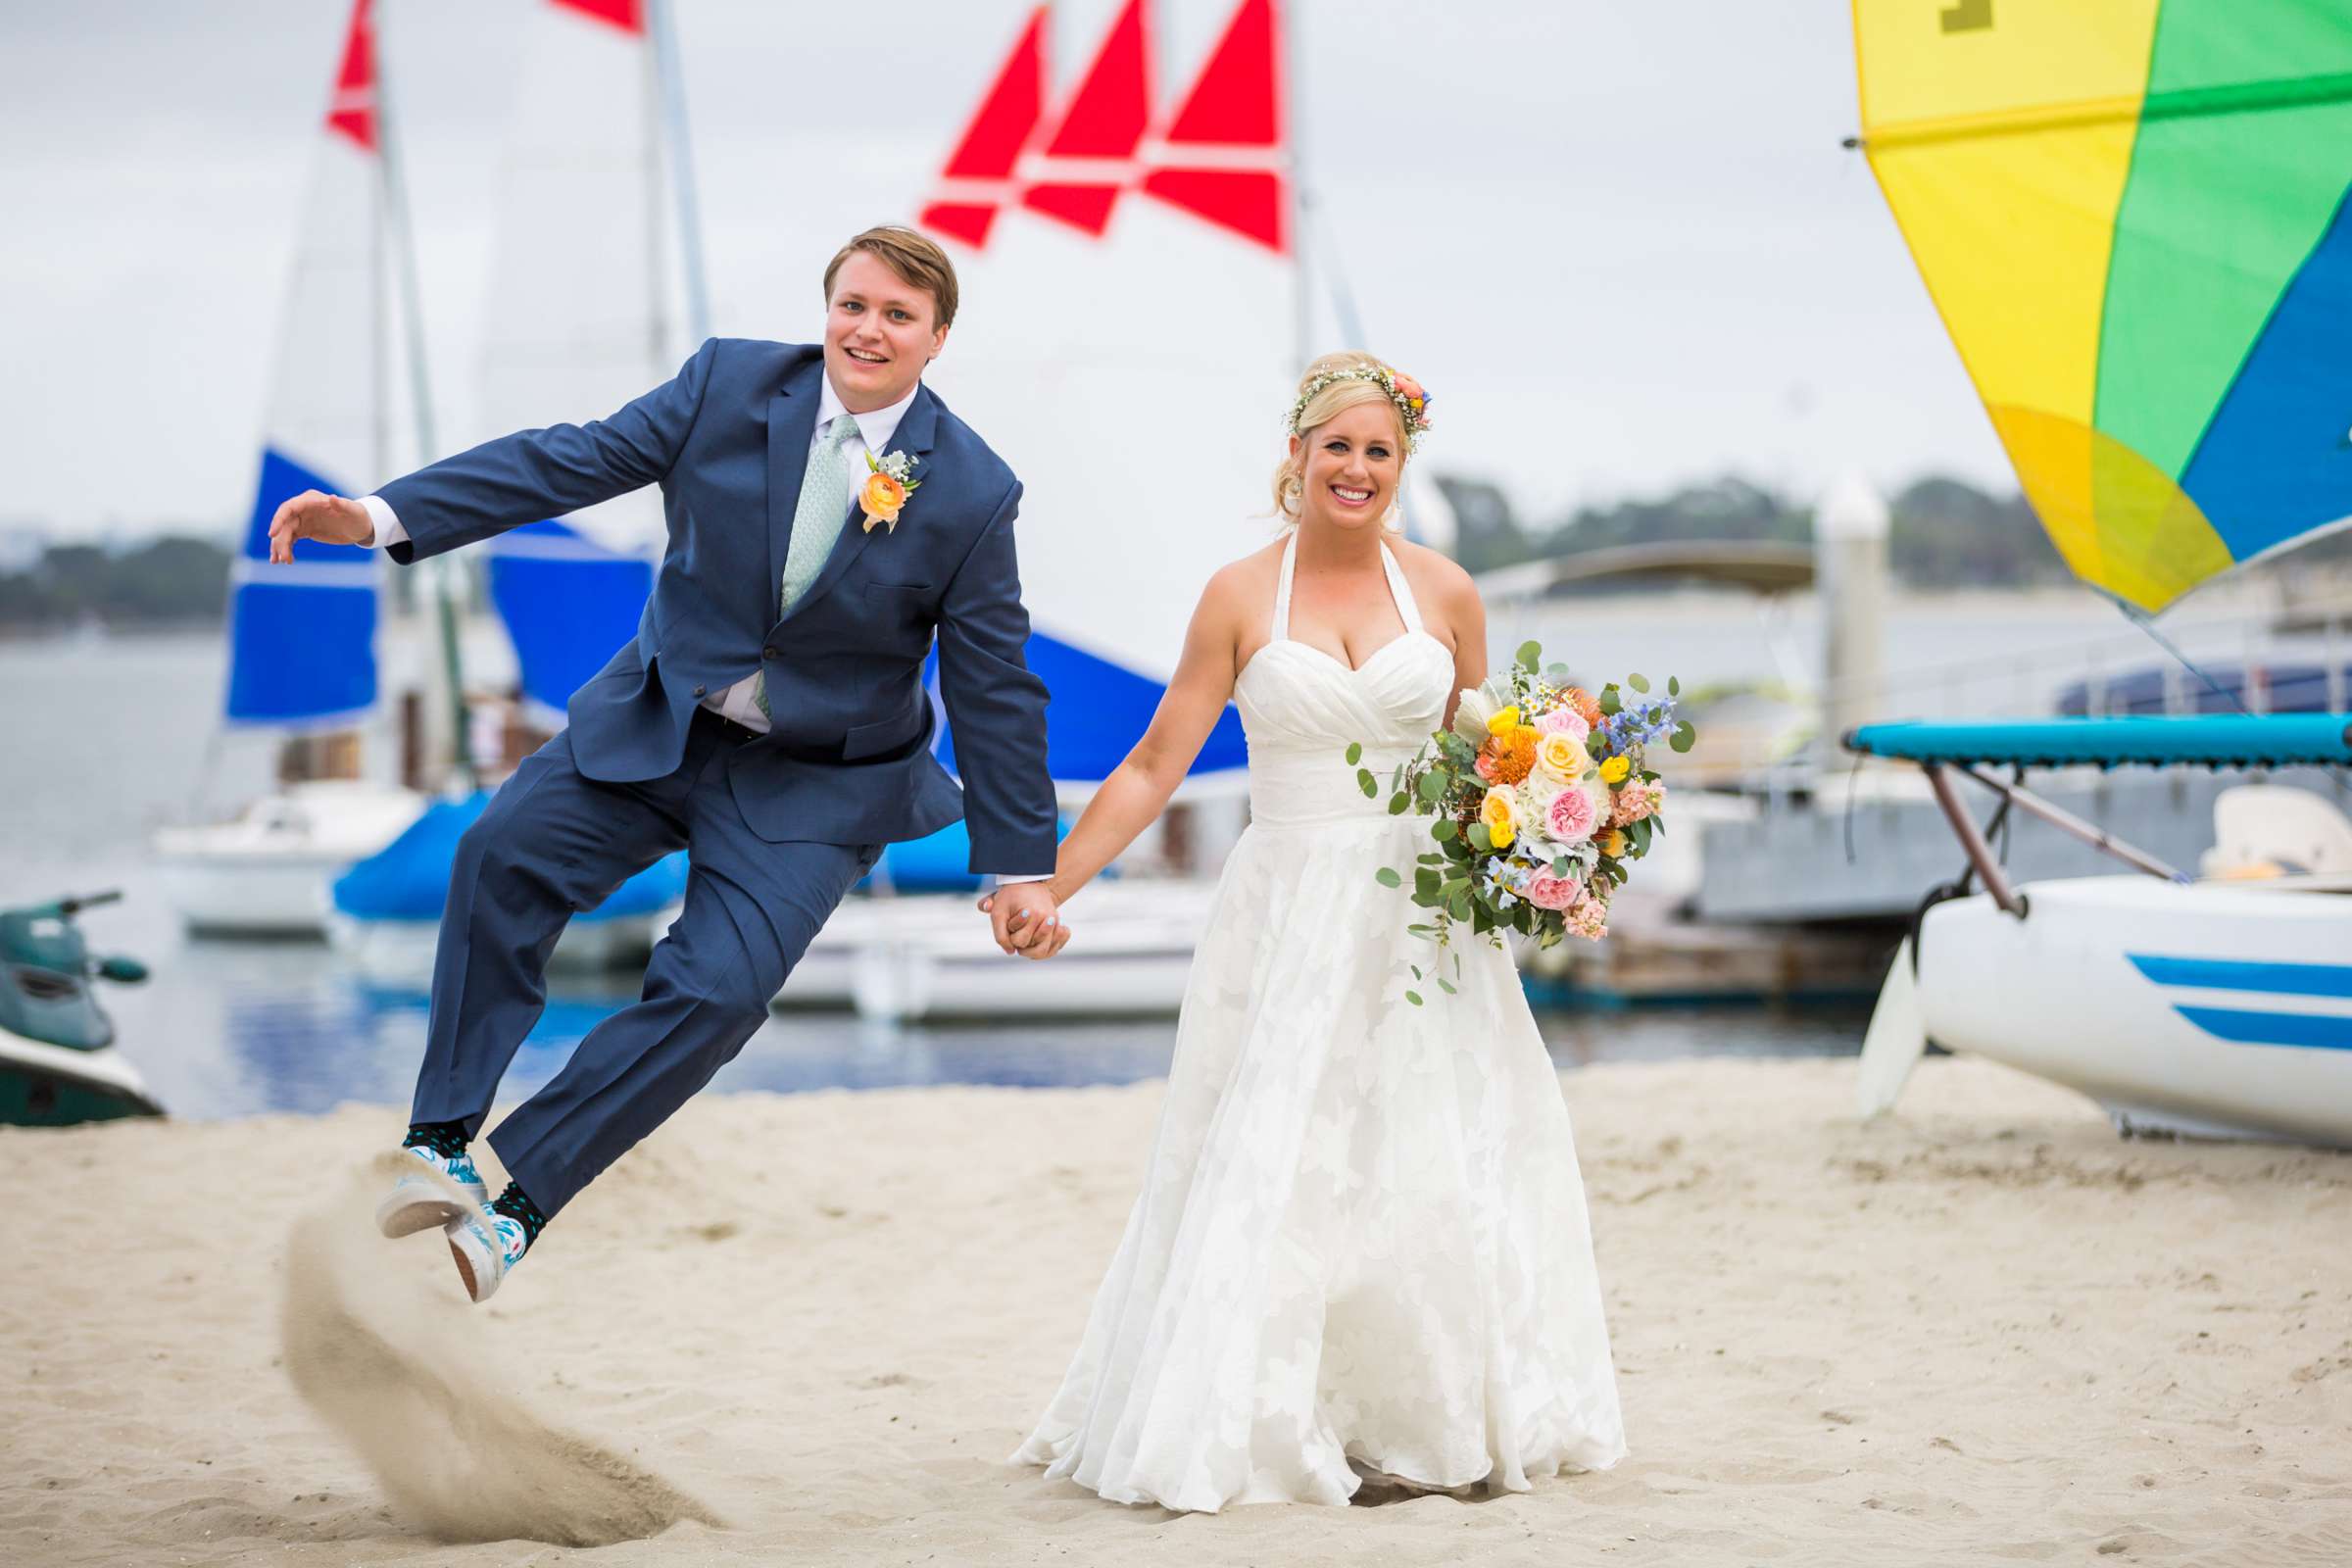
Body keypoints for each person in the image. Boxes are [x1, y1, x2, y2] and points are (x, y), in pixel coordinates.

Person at [267, 226, 1072, 1303]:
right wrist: (376, 518)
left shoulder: (973, 488)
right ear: (826, 309)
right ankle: (443, 1139)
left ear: (935, 340)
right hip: (660, 722)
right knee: (498, 853)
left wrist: (1016, 864)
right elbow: (563, 459)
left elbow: (995, 681)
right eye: (853, 304)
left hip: (818, 783)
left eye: (897, 316)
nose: (867, 329)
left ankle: (515, 1202)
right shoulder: (728, 385)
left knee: (722, 992)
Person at [1004, 353, 1626, 1509]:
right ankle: (1282, 1414)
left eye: (1378, 451)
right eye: (1334, 446)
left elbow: (1483, 761)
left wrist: (1554, 842)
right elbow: (1154, 763)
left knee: (1433, 1158)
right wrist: (1055, 884)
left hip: (1428, 918)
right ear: (1295, 456)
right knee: (1280, 1159)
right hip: (1286, 911)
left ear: (1401, 466)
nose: (1355, 468)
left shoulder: (1446, 593)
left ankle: (1426, 1418)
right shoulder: (1239, 596)